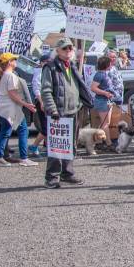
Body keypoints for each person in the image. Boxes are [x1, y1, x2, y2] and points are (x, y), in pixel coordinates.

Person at [40, 37, 94, 188]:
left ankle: (67, 173)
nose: (68, 50)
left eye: (70, 48)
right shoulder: (50, 67)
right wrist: (53, 109)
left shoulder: (72, 66)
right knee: (57, 146)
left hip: (74, 111)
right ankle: (52, 177)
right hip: (59, 112)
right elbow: (46, 91)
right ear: (57, 51)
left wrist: (84, 102)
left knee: (71, 145)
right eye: (65, 48)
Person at [0, 53, 38, 167]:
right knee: (21, 131)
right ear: (9, 63)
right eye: (14, 60)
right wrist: (26, 104)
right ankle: (23, 158)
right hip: (11, 108)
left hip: (2, 106)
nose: (16, 61)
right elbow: (12, 94)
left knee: (5, 132)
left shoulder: (2, 75)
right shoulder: (10, 76)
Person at [89, 55, 115, 131]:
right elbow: (93, 88)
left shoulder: (104, 73)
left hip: (106, 100)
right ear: (106, 65)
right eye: (110, 63)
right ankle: (106, 139)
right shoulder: (99, 74)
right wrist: (105, 93)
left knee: (106, 123)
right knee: (105, 124)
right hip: (102, 101)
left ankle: (101, 137)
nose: (111, 64)